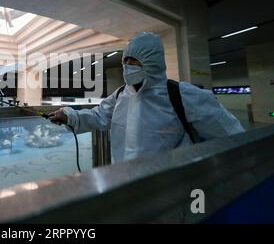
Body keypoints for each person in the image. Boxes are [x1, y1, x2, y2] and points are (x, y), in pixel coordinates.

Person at [49, 32, 244, 163]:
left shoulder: (182, 95)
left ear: (152, 61)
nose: (127, 65)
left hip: (175, 185)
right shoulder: (120, 95)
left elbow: (230, 134)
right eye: (125, 60)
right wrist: (70, 116)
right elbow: (99, 116)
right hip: (128, 180)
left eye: (133, 60)